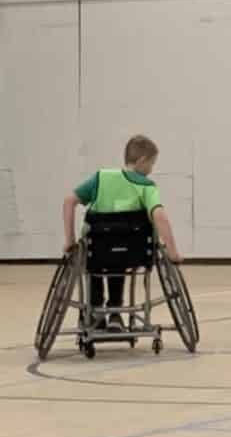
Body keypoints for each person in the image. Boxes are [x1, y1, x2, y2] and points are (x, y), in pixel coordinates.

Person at [62, 133, 181, 326]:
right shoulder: (146, 186)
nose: (151, 170)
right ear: (142, 161)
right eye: (152, 164)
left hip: (96, 250)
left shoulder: (101, 178)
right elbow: (159, 216)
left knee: (97, 261)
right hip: (133, 252)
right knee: (119, 258)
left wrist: (69, 240)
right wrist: (173, 252)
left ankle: (95, 311)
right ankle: (115, 312)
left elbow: (69, 201)